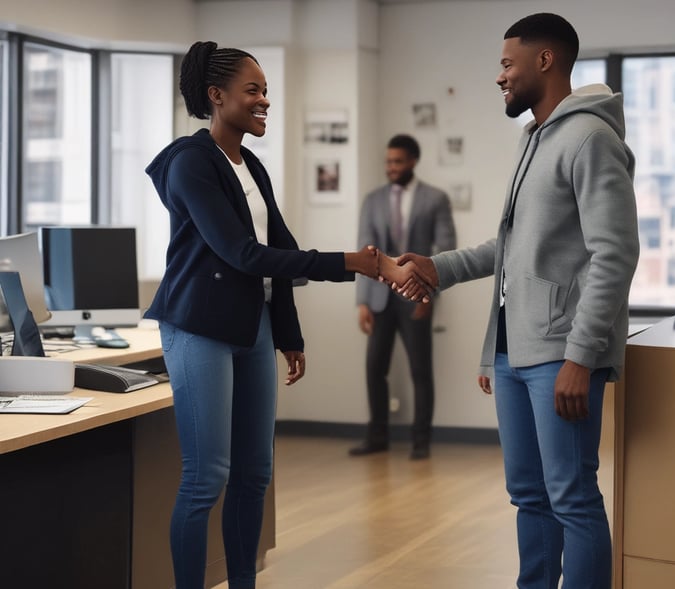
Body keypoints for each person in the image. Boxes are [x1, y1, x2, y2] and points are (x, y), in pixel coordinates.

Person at [144, 41, 420, 589]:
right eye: (254, 90)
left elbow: (280, 250)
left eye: (266, 90)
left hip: (253, 325)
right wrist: (358, 263)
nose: (264, 100)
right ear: (216, 96)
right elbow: (242, 255)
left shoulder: (253, 167)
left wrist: (288, 332)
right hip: (199, 324)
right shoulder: (189, 164)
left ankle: (244, 582)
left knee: (255, 474)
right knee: (206, 478)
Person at [390, 13, 639, 589]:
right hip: (514, 353)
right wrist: (437, 269)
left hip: (561, 354)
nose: (499, 77)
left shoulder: (590, 138)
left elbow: (615, 255)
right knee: (528, 496)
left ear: (544, 60)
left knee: (571, 496)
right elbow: (508, 248)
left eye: (507, 64)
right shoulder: (535, 137)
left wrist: (581, 356)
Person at [350, 134, 456, 460]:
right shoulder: (372, 200)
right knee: (374, 369)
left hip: (416, 298)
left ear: (412, 161)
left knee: (420, 371)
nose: (391, 167)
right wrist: (362, 302)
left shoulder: (435, 199)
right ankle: (377, 436)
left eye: (397, 161)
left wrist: (430, 296)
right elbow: (364, 253)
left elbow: (445, 250)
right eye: (388, 162)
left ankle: (421, 440)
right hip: (380, 298)